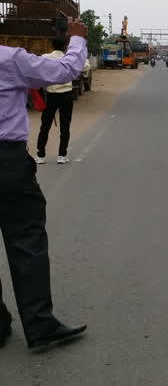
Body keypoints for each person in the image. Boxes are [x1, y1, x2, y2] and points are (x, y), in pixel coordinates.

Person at [0, 17, 88, 351]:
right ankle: (39, 326)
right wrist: (76, 38)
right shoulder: (9, 59)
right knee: (26, 243)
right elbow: (64, 70)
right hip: (6, 162)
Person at [36, 36, 88, 165]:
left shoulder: (45, 58)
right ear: (65, 46)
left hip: (51, 96)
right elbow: (86, 66)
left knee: (45, 126)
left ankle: (40, 155)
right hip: (66, 96)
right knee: (65, 127)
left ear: (51, 45)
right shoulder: (68, 59)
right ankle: (62, 155)